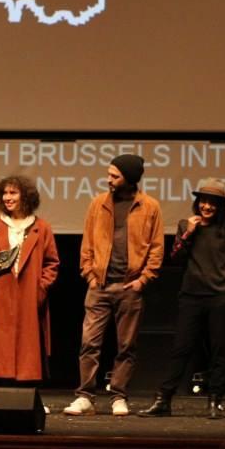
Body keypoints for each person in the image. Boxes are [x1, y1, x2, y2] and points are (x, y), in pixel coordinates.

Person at [63, 154, 164, 417]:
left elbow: (156, 247)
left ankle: (118, 395)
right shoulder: (98, 203)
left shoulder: (149, 206)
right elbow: (87, 242)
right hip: (99, 285)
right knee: (89, 343)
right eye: (109, 174)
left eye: (115, 176)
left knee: (126, 346)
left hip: (129, 286)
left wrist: (143, 280)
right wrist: (89, 274)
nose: (109, 180)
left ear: (130, 178)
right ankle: (85, 396)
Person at [139, 178, 225, 419]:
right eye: (203, 201)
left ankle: (215, 401)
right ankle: (163, 400)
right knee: (181, 348)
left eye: (212, 203)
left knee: (219, 351)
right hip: (191, 296)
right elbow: (176, 256)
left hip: (220, 296)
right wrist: (188, 233)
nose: (207, 206)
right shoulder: (186, 225)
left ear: (220, 206)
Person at [0, 175, 61, 383]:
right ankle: (4, 393)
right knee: (0, 344)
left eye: (13, 193)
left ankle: (28, 394)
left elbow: (52, 263)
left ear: (26, 196)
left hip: (29, 294)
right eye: (5, 193)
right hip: (0, 294)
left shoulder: (41, 227)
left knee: (28, 345)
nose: (7, 198)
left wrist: (41, 288)